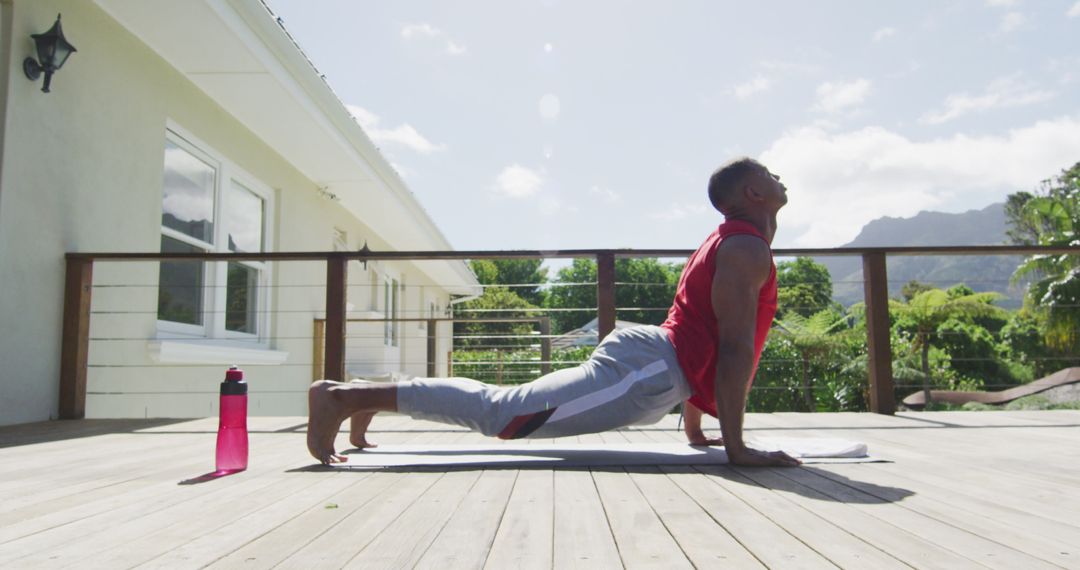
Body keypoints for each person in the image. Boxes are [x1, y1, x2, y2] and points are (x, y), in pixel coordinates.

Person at [307, 157, 800, 467]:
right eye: (770, 174)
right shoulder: (744, 249)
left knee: (505, 410)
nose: (779, 178)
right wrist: (737, 449)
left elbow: (706, 336)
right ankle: (345, 396)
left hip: (655, 367)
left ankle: (369, 397)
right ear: (754, 195)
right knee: (505, 415)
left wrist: (696, 430)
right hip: (648, 370)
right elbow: (733, 348)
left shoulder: (732, 243)